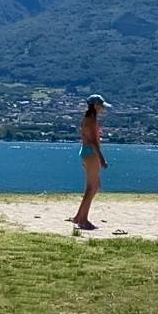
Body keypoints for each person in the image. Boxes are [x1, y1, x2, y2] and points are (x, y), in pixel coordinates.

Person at [70, 94, 110, 230]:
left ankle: (78, 216)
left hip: (88, 151)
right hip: (91, 153)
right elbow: (93, 141)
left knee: (94, 186)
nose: (103, 108)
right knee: (92, 187)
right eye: (101, 106)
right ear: (95, 106)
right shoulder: (91, 119)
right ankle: (83, 220)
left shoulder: (89, 118)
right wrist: (101, 158)